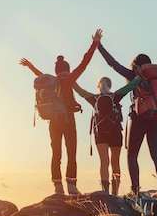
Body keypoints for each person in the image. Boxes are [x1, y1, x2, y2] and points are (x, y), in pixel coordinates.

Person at [96, 36, 157, 200]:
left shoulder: (133, 74)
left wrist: (98, 46)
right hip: (156, 120)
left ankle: (135, 191)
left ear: (136, 64)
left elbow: (113, 64)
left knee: (132, 156)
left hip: (139, 120)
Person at [20, 29, 102, 195]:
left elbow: (39, 74)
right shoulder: (69, 80)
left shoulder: (51, 82)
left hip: (53, 122)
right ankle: (71, 186)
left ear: (56, 71)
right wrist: (95, 43)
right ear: (68, 69)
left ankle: (57, 187)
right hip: (68, 120)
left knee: (56, 153)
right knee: (71, 152)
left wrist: (30, 66)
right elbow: (84, 63)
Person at [72, 76, 143, 195]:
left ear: (98, 86)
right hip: (115, 132)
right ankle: (115, 193)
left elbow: (79, 90)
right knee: (115, 162)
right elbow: (130, 86)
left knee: (104, 162)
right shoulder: (115, 96)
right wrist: (140, 76)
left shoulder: (94, 98)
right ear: (110, 85)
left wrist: (69, 79)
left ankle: (105, 193)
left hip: (101, 133)